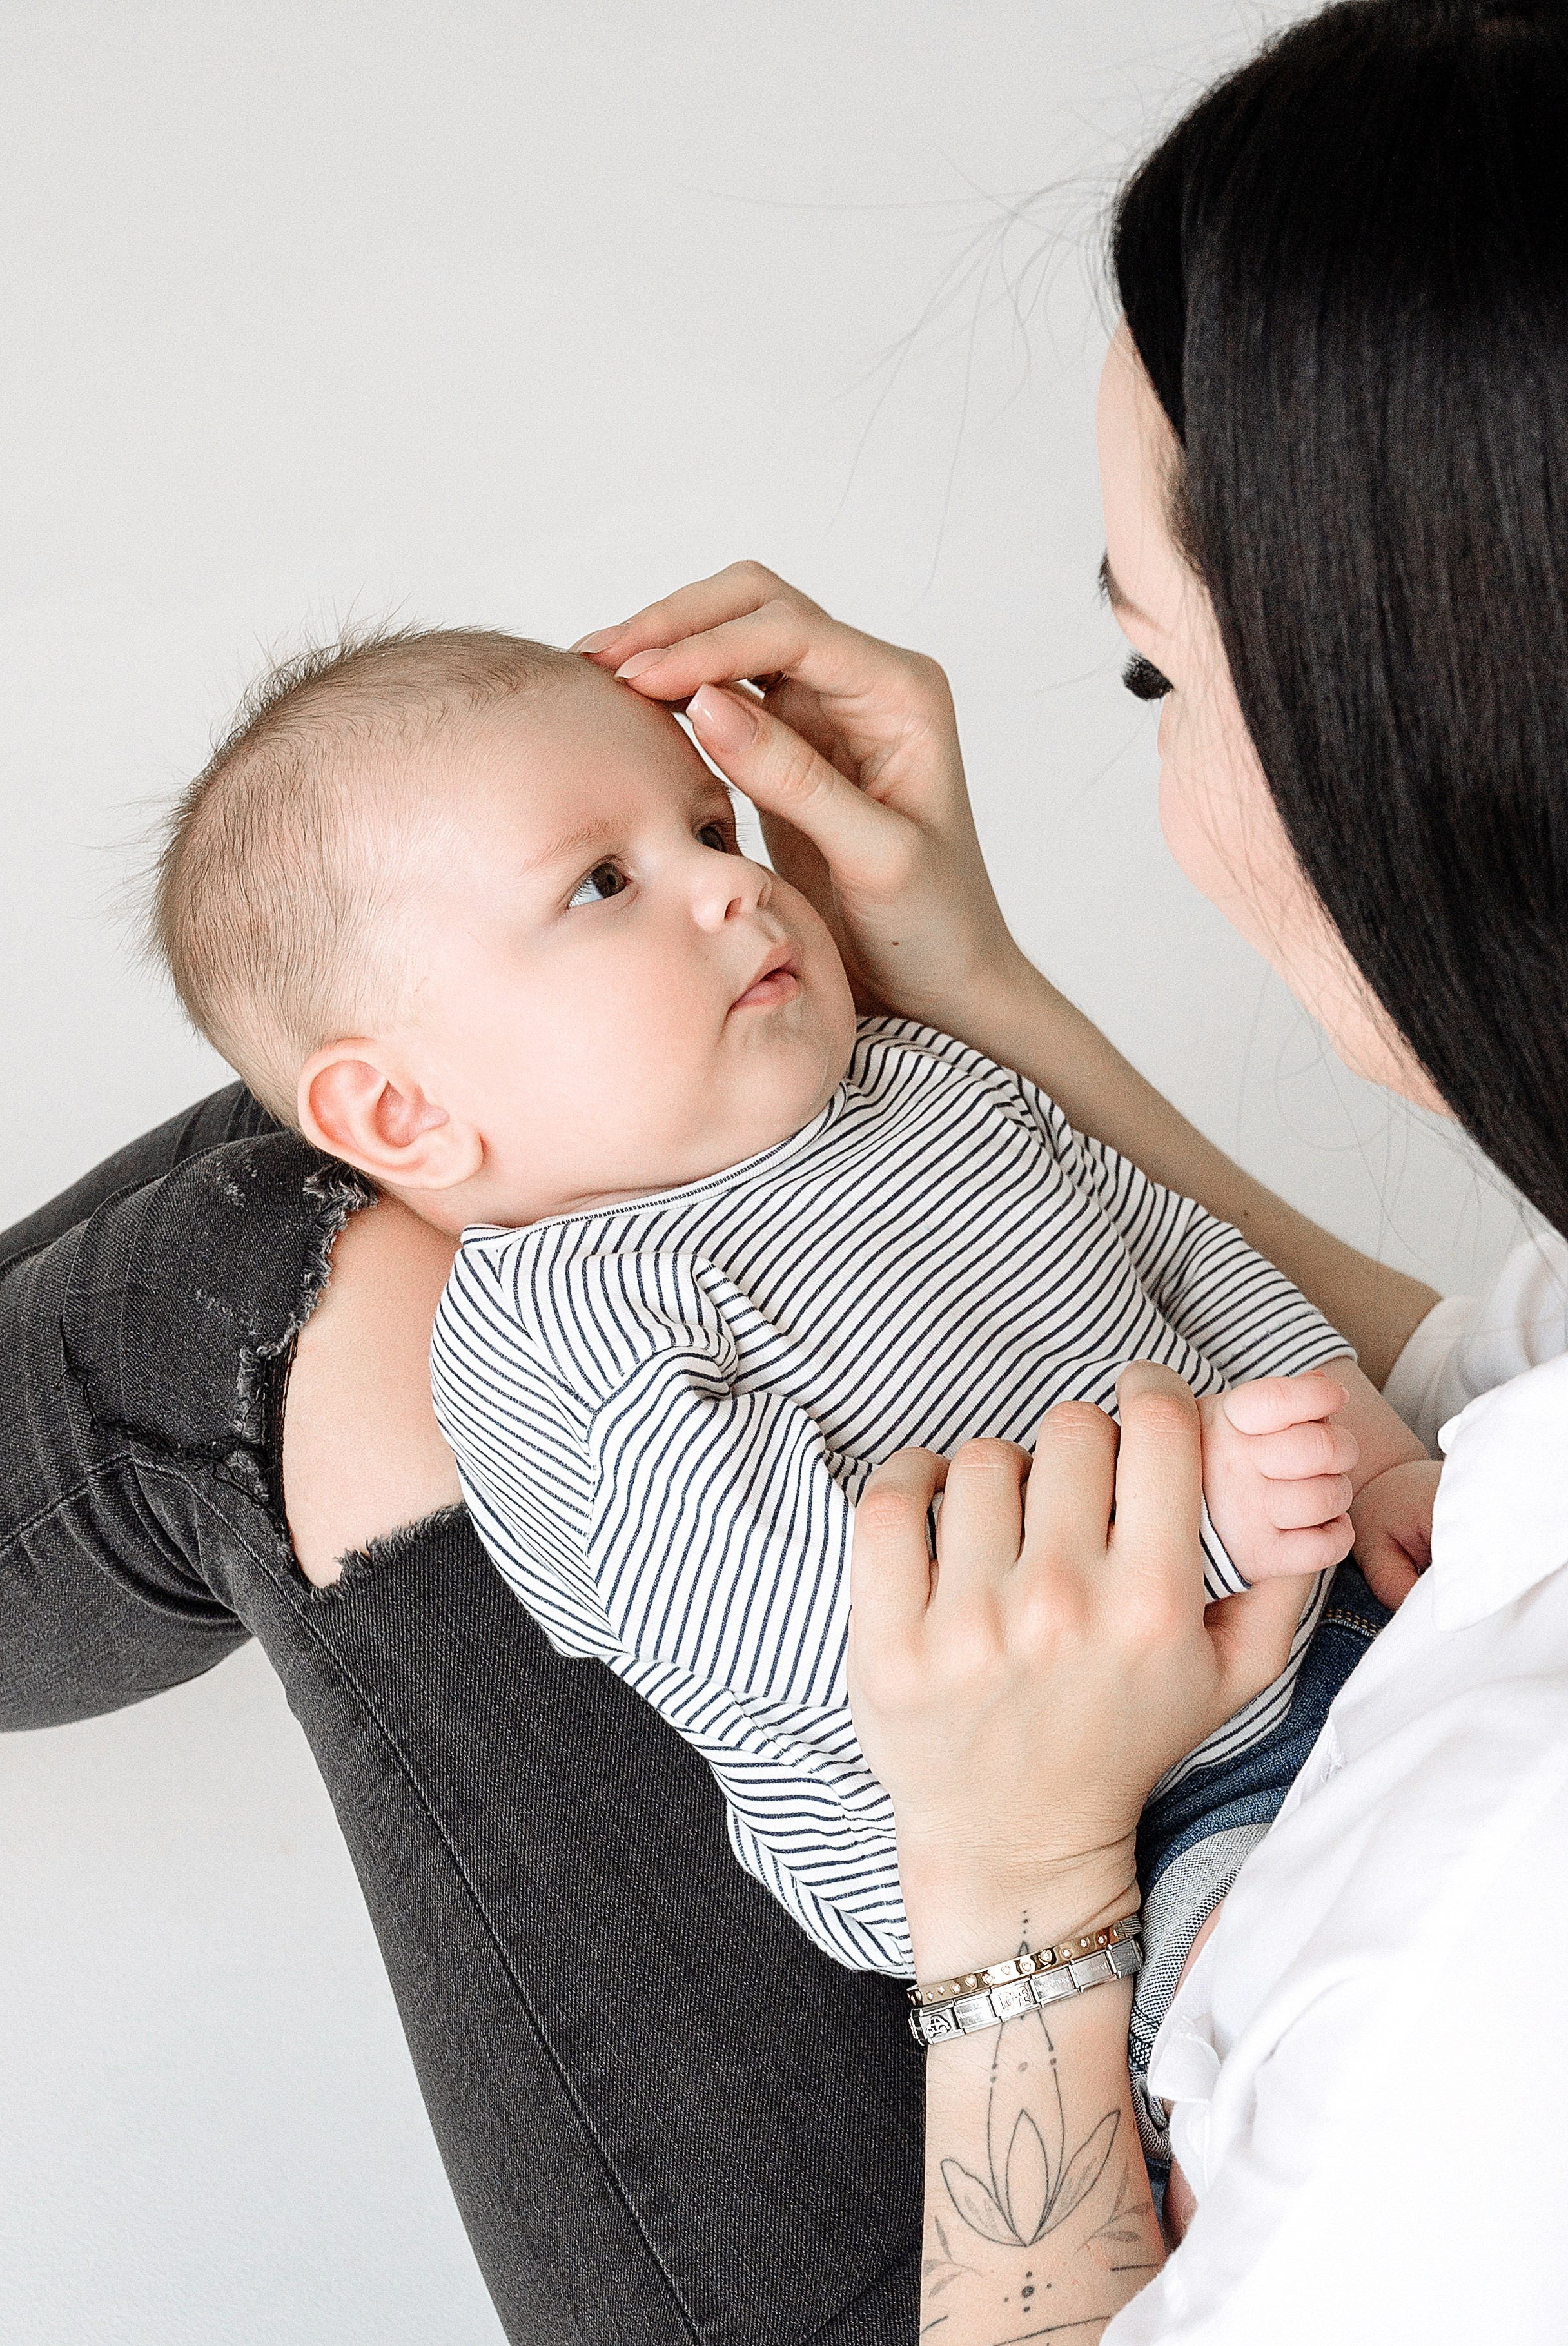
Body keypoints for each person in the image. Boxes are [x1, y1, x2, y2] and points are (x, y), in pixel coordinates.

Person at [4, 0, 1562, 2346]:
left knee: (288, 1227)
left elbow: (904, 1629)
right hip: (1218, 1652)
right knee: (349, 1137)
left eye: (1153, 674)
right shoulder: (652, 1267)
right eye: (628, 872)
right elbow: (1270, 1330)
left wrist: (1047, 1852)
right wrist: (1348, 1433)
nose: (748, 887)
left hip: (1106, 1919)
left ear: (1416, 716)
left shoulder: (1464, 1956)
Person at [145, 617, 1430, 2009]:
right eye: (601, 883)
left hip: (1325, 1604)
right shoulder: (566, 1328)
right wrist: (1195, 1534)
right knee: (1293, 1952)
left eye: (712, 826)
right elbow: (806, 1631)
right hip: (1108, 1819)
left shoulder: (914, 1082)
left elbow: (1180, 1252)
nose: (729, 888)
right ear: (403, 1109)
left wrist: (1363, 1447)